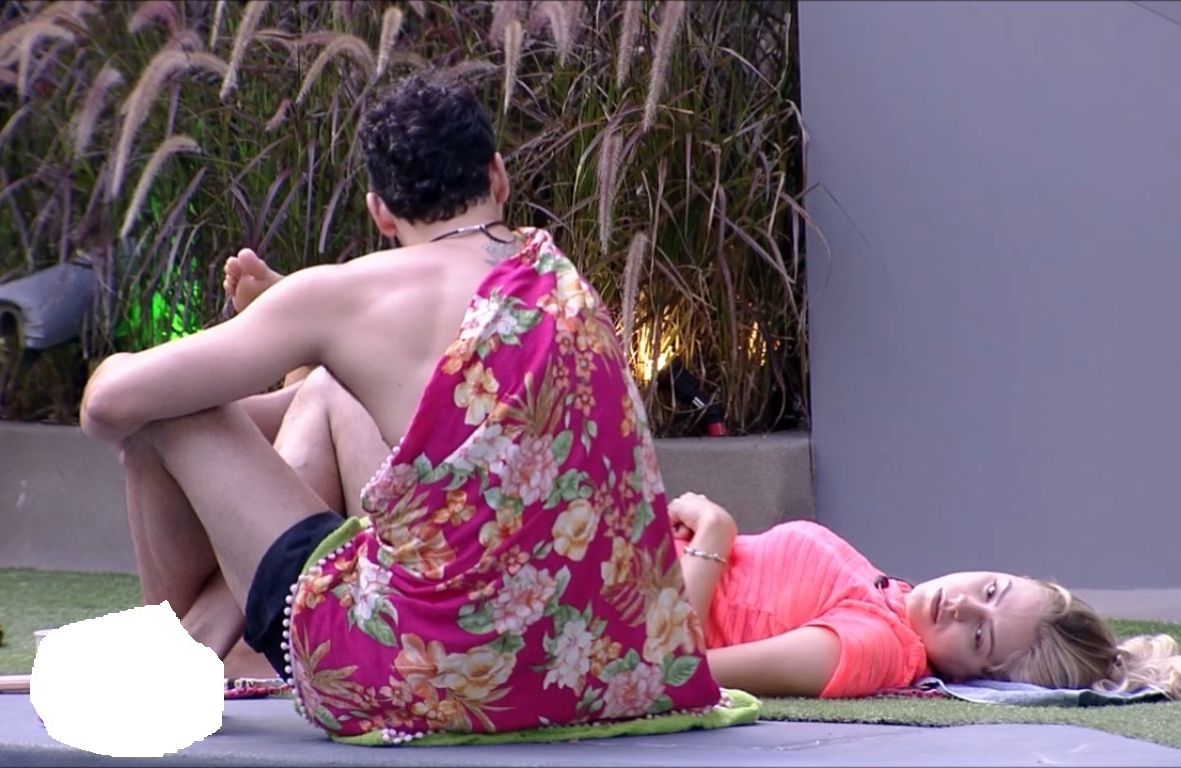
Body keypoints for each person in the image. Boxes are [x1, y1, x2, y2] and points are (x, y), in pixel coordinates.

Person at [80, 71, 727, 741]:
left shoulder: (352, 296)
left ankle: (176, 662)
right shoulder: (565, 287)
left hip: (424, 681)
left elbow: (107, 407)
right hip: (607, 677)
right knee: (324, 388)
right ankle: (205, 635)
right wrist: (300, 333)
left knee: (161, 410)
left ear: (380, 213)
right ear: (498, 176)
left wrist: (141, 362)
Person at [664, 492, 1181, 701]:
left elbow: (671, 668)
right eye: (990, 589)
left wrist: (714, 533)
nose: (961, 605)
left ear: (974, 675)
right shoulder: (888, 597)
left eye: (979, 634)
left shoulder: (875, 647)